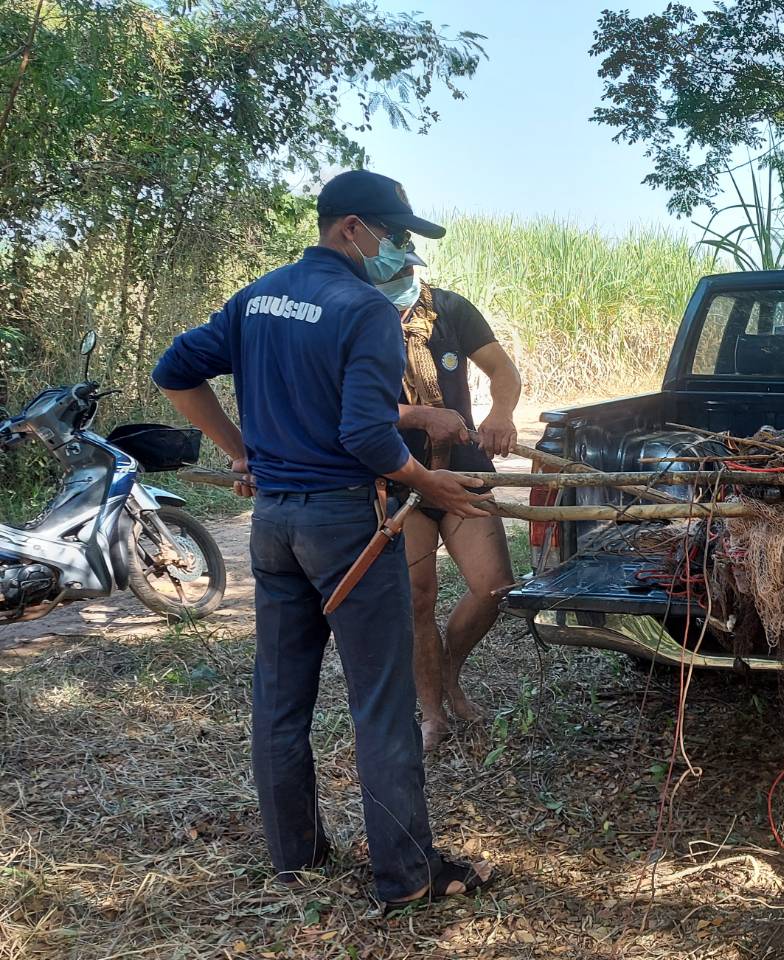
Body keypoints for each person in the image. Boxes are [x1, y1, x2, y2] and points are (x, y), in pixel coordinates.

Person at [151, 170, 498, 912]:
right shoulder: (363, 308)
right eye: (393, 236)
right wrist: (430, 485)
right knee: (380, 701)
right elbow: (365, 435)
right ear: (350, 228)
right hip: (344, 524)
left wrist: (243, 452)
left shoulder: (256, 298)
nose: (399, 252)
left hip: (273, 524)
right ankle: (406, 874)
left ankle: (295, 854)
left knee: (279, 697)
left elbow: (173, 372)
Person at [373, 258, 521, 750]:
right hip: (400, 479)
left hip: (464, 470)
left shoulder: (452, 310)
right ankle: (432, 711)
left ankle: (450, 671)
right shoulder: (357, 315)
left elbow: (502, 368)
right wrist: (417, 416)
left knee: (494, 586)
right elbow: (348, 408)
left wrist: (501, 411)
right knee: (417, 599)